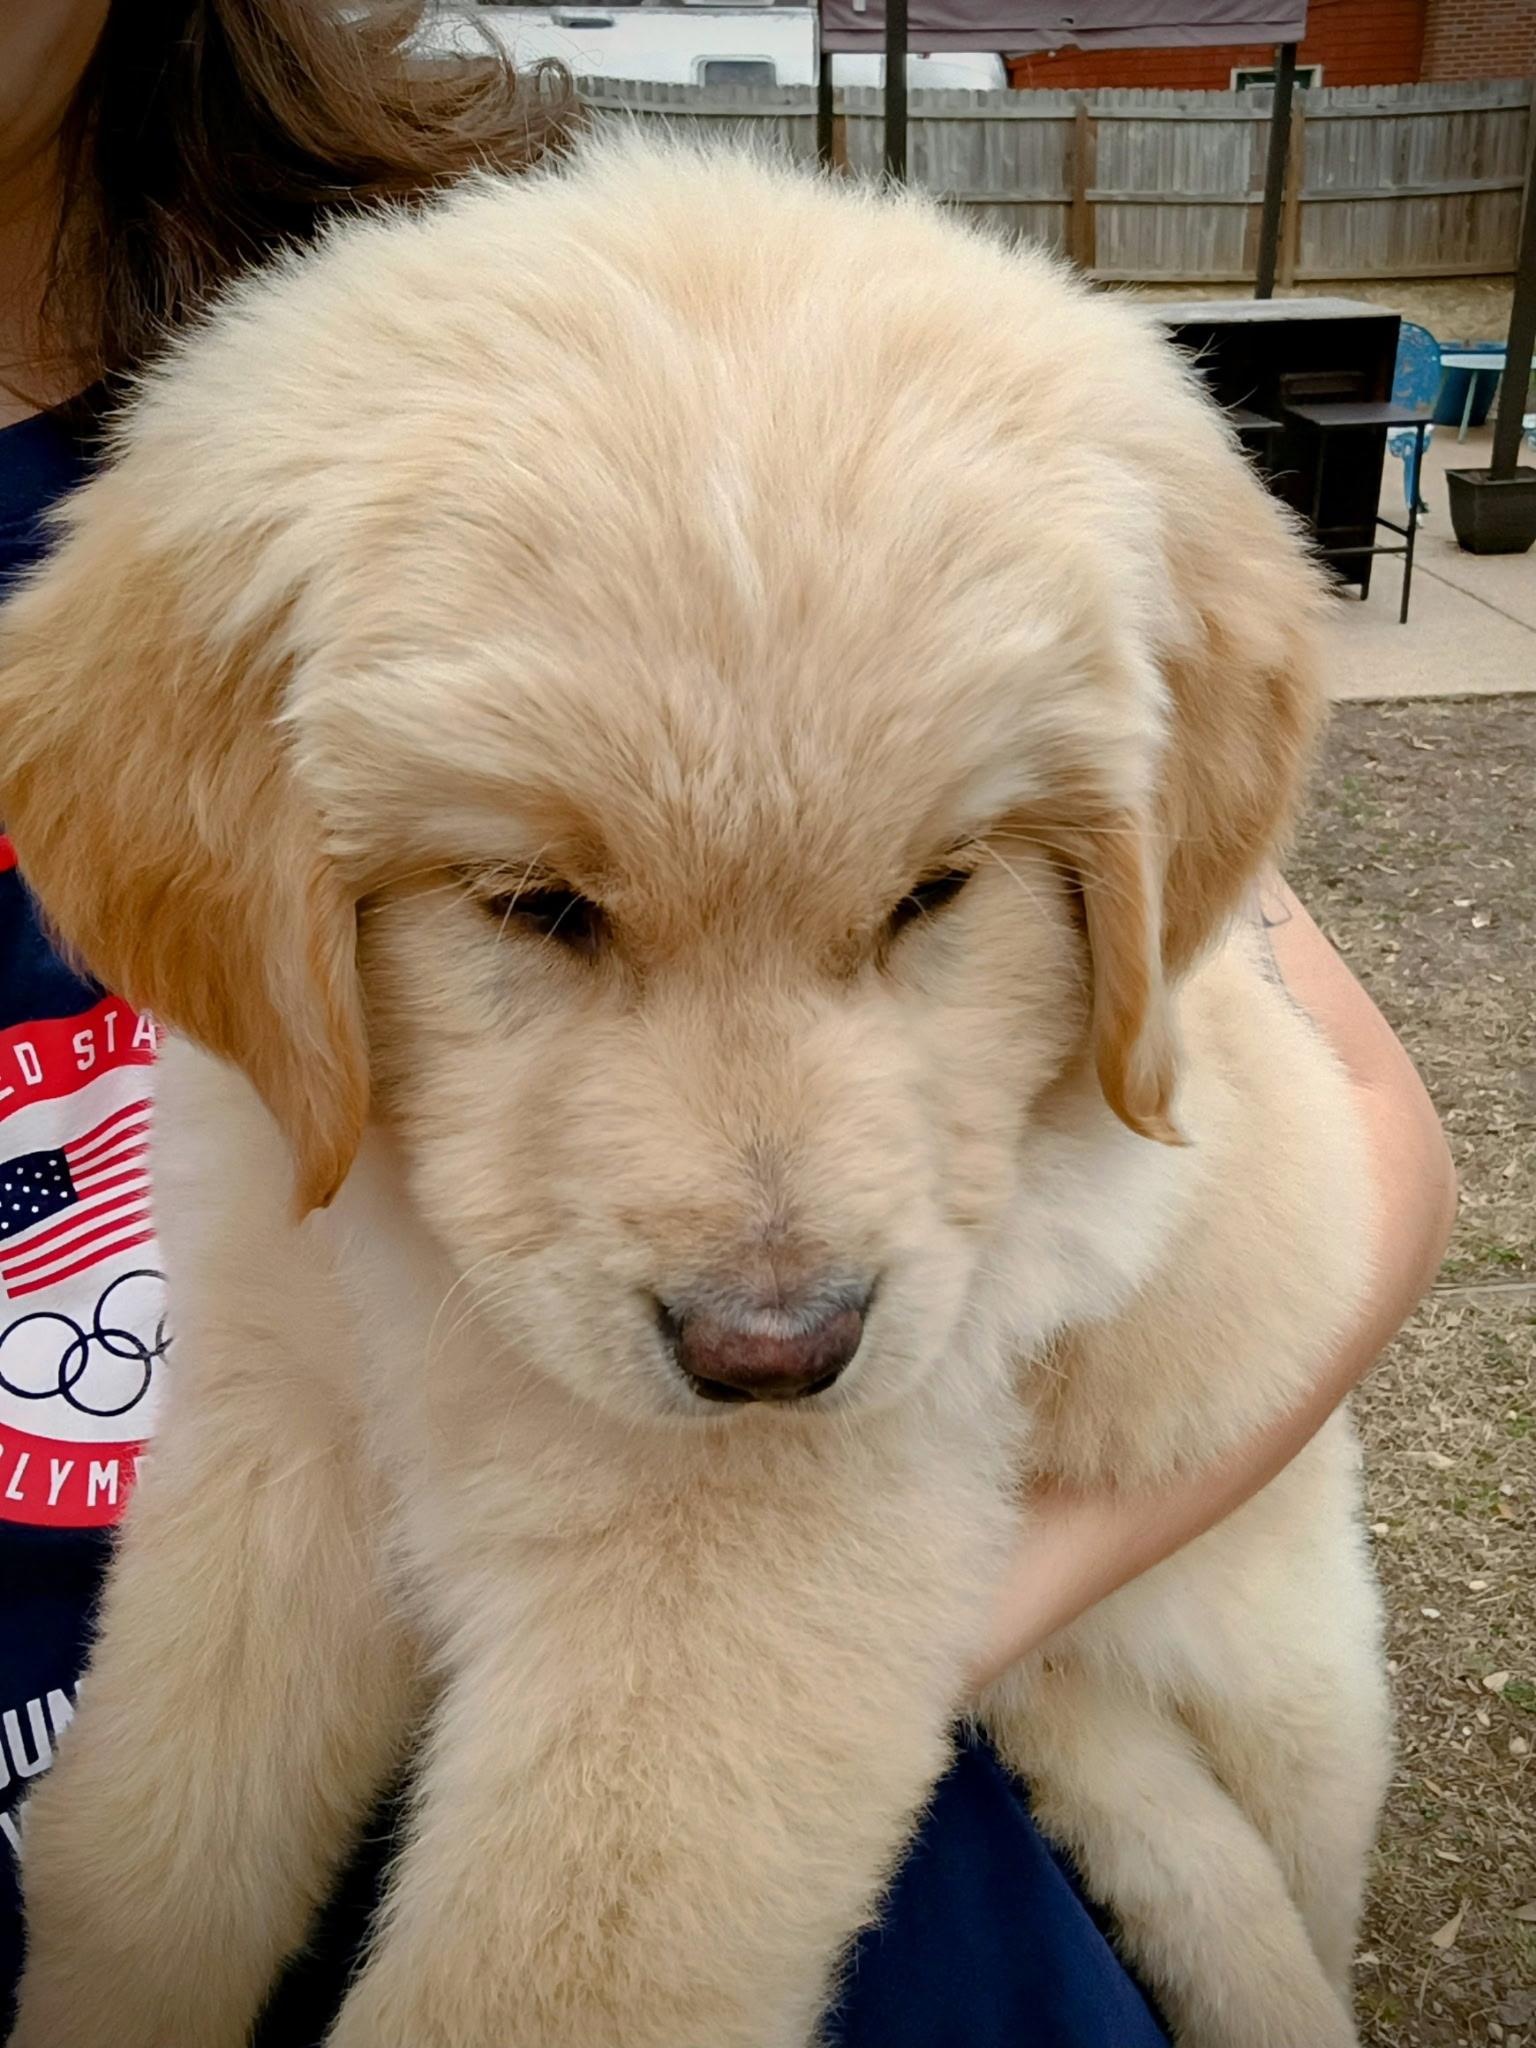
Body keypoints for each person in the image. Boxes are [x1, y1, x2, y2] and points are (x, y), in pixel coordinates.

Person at [0, 6, 1456, 2041]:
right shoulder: (252, 559)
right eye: (545, 906)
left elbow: (1359, 1125)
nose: (770, 1269)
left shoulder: (762, 356)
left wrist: (1016, 1618)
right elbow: (275, 1440)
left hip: (1138, 1627)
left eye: (929, 892)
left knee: (1269, 1846)